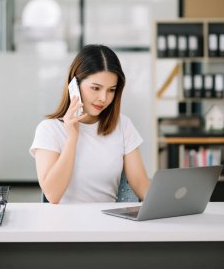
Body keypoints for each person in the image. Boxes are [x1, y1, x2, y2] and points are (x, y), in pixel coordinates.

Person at [29, 44, 149, 204]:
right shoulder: (49, 129)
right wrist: (72, 138)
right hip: (64, 225)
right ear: (74, 86)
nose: (103, 98)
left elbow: (142, 186)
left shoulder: (123, 125)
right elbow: (52, 194)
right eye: (95, 88)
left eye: (111, 90)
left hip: (109, 224)